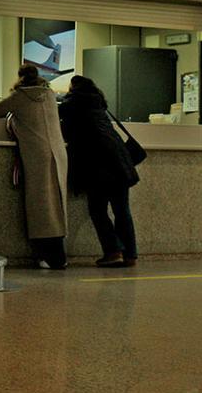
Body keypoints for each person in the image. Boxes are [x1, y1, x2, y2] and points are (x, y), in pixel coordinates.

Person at [0, 65, 69, 269]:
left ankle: (50, 257)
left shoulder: (20, 96)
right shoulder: (50, 94)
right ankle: (59, 255)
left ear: (20, 77)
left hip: (36, 155)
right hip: (58, 154)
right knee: (56, 204)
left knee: (41, 207)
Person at [59, 75, 141, 268]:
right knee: (122, 211)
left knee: (97, 210)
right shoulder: (98, 105)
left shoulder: (73, 103)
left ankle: (113, 252)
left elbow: (59, 121)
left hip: (98, 167)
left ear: (74, 88)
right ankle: (130, 255)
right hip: (119, 164)